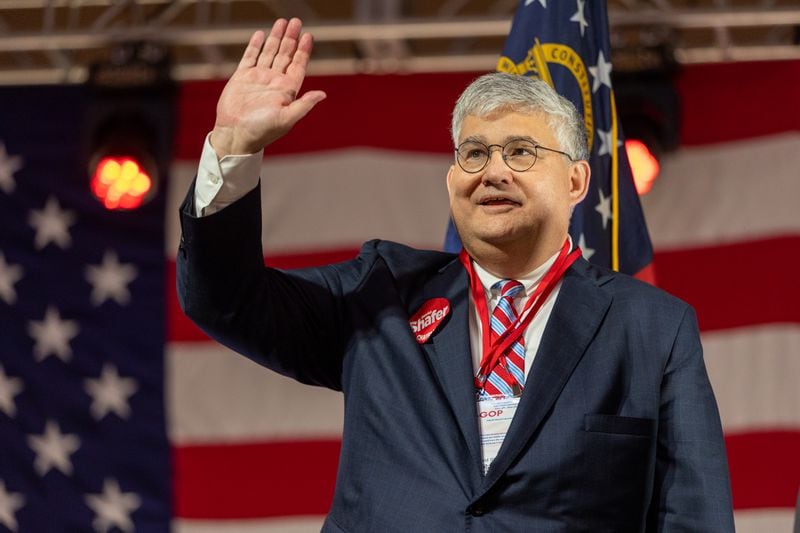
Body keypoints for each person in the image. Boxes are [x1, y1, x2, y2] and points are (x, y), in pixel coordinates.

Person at [178, 17, 735, 532]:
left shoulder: (653, 327)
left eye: (520, 152)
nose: (492, 171)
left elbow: (695, 514)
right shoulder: (380, 293)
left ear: (575, 182)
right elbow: (225, 298)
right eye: (473, 153)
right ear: (451, 182)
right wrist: (234, 147)